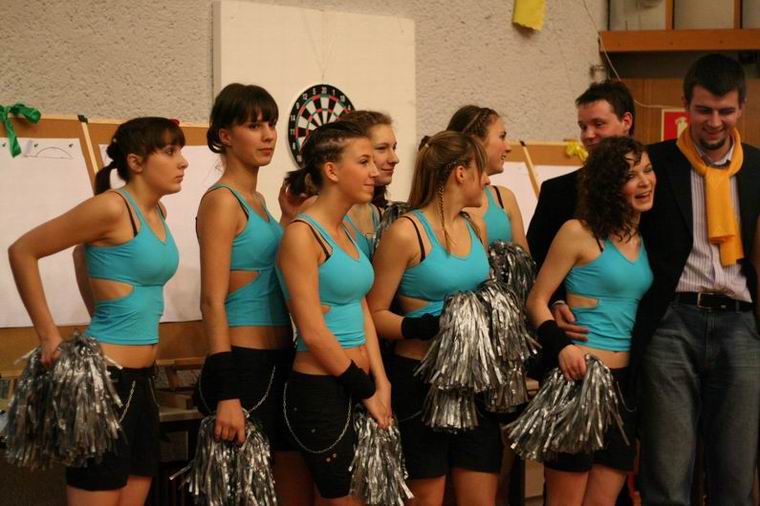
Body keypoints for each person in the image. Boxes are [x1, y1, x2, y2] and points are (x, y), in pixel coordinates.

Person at [9, 117, 186, 505]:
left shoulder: (158, 212)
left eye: (181, 151)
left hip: (143, 381)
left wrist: (100, 307)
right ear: (136, 162)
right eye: (170, 151)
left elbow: (80, 254)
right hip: (105, 381)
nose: (183, 161)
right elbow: (22, 251)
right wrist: (48, 335)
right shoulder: (110, 207)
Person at [633, 53, 760, 505]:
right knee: (667, 471)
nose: (714, 121)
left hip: (741, 323)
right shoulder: (654, 162)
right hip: (672, 322)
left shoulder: (756, 166)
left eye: (726, 111)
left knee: (736, 472)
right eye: (704, 110)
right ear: (685, 105)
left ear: (741, 107)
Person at [368, 130, 502, 505]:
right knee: (427, 495)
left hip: (473, 383)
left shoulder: (476, 226)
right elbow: (373, 313)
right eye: (480, 170)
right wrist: (422, 326)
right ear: (460, 173)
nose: (487, 180)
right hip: (420, 380)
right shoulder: (405, 232)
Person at [194, 83, 310, 505]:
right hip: (243, 365)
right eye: (254, 126)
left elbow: (264, 269)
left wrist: (287, 219)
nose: (268, 135)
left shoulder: (258, 200)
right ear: (225, 135)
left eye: (271, 124)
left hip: (280, 358)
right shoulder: (222, 201)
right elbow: (211, 300)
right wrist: (227, 392)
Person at [527, 136, 654, 506]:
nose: (644, 182)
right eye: (631, 176)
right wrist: (562, 346)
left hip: (624, 384)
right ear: (609, 186)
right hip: (579, 377)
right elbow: (536, 300)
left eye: (648, 171)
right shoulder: (577, 232)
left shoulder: (645, 237)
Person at [276, 120, 392, 504]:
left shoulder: (348, 232)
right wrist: (364, 389)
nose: (374, 171)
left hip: (358, 383)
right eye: (363, 161)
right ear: (331, 170)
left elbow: (361, 307)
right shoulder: (302, 235)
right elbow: (312, 331)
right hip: (321, 389)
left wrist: (381, 380)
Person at [447, 105, 529, 250]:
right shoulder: (441, 200)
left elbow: (524, 261)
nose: (508, 147)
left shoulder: (504, 198)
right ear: (475, 142)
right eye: (502, 137)